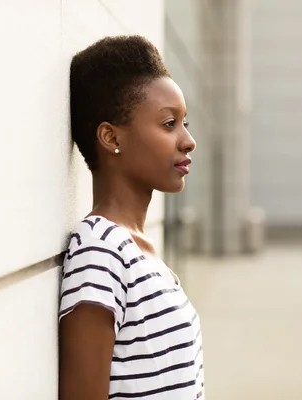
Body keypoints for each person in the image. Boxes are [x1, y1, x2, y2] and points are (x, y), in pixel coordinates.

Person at [59, 35, 203, 400]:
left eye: (185, 123)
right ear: (111, 137)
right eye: (170, 124)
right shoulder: (99, 251)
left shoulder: (140, 251)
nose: (188, 141)